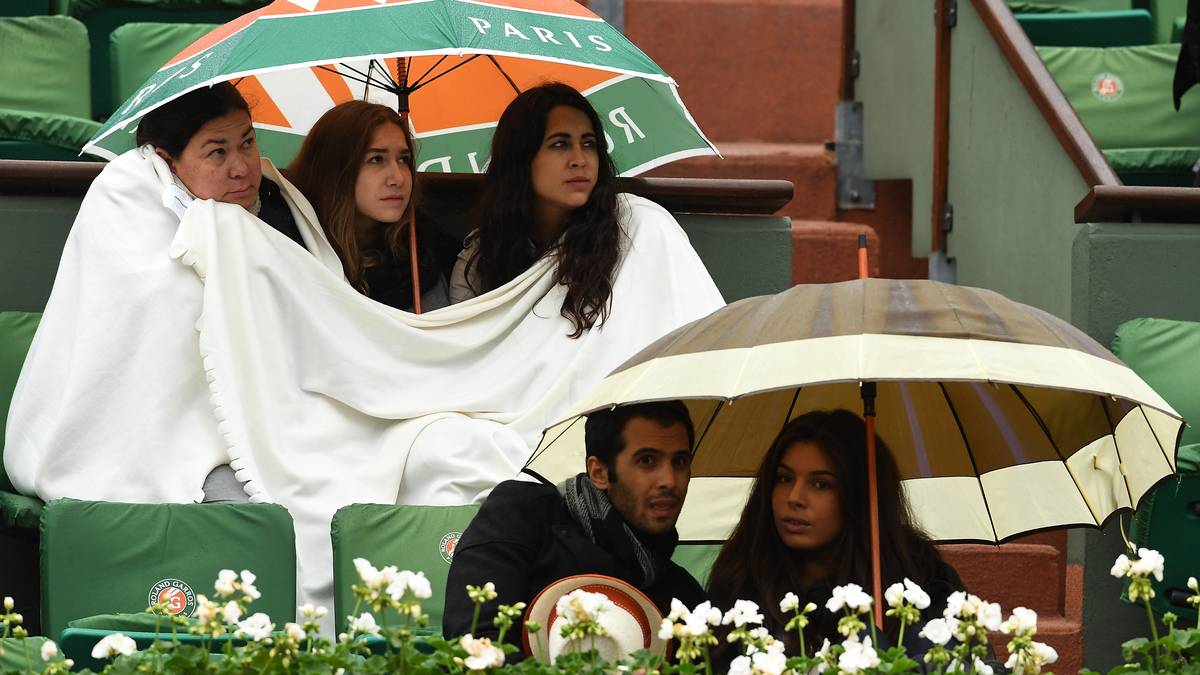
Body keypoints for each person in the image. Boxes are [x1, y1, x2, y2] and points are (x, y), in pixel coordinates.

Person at [442, 401, 708, 652]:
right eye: (647, 460)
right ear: (599, 473)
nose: (669, 480)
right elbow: (476, 644)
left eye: (680, 461)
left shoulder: (685, 597)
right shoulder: (523, 515)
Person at [707, 410, 966, 662]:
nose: (794, 497)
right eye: (784, 478)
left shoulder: (923, 582)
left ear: (861, 495)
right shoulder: (741, 580)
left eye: (821, 484)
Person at [449, 82, 620, 338]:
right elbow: (464, 350)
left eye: (588, 144)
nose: (579, 159)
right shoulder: (481, 259)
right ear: (522, 159)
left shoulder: (627, 237)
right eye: (560, 144)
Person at [288, 102, 459, 312]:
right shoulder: (296, 254)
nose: (398, 178)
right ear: (335, 169)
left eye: (403, 159)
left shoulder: (428, 246)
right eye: (376, 159)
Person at [136, 82, 307, 250]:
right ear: (167, 162)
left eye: (247, 142)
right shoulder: (150, 248)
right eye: (218, 152)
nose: (242, 170)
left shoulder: (295, 214)